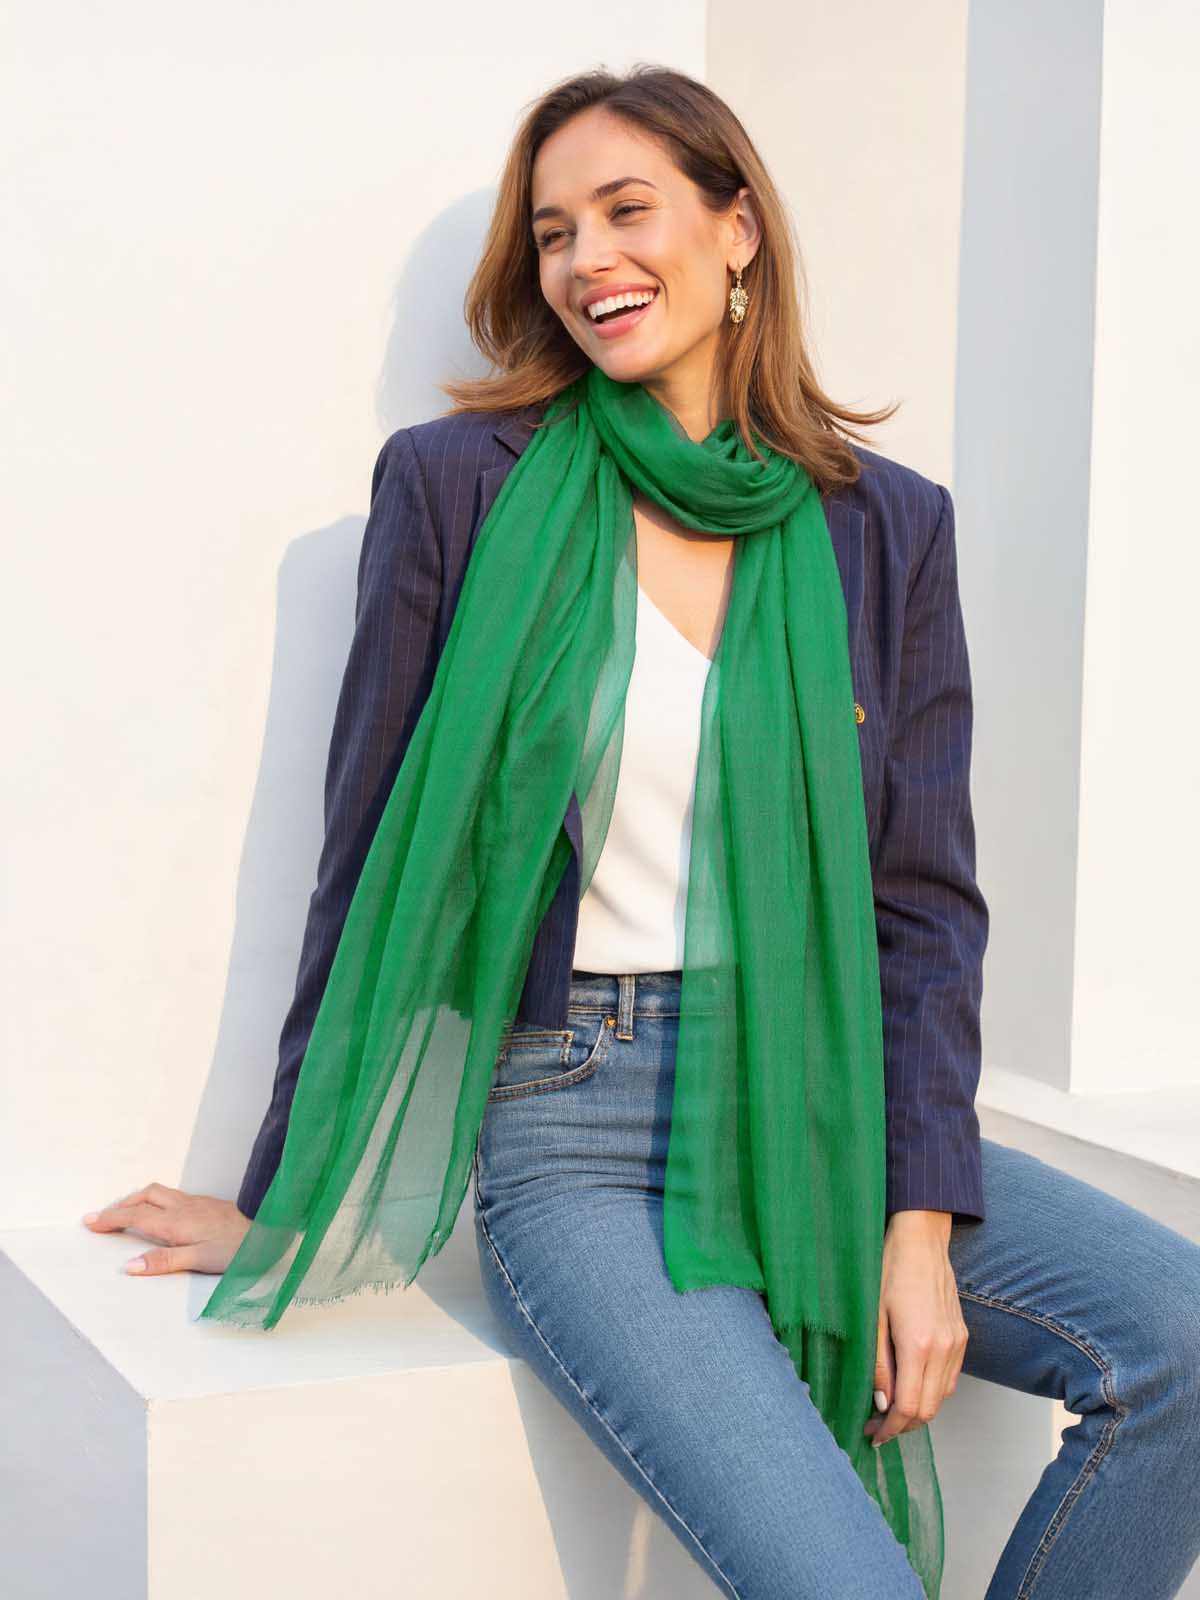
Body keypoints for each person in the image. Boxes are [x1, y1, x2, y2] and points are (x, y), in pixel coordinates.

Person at [82, 64, 1200, 1600]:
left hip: (824, 1093)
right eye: (554, 233)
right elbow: (368, 868)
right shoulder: (459, 491)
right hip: (577, 1130)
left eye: (626, 211)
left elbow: (925, 908)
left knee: (1179, 1343)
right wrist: (291, 1196)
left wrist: (917, 1221)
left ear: (737, 231)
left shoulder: (886, 525)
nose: (587, 259)